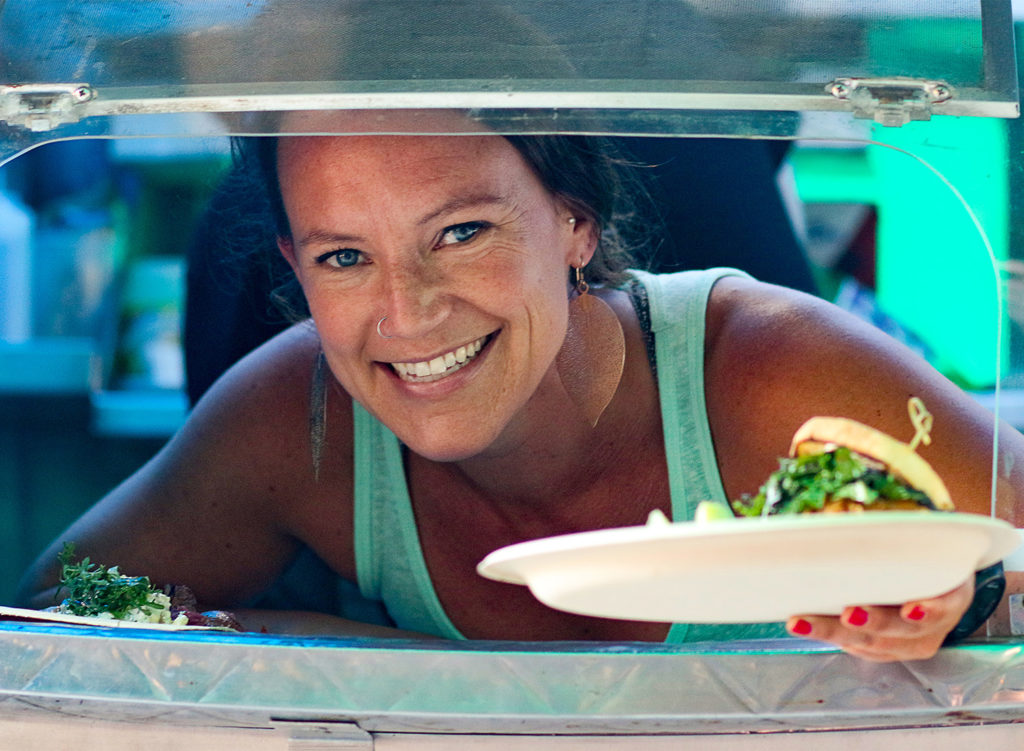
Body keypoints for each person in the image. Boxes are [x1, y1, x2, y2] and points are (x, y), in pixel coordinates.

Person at [17, 109, 1024, 661]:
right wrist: (286, 638)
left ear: (575, 221)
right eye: (343, 258)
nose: (407, 315)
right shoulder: (298, 419)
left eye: (462, 232)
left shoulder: (771, 368)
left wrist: (965, 596)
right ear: (293, 266)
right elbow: (53, 609)